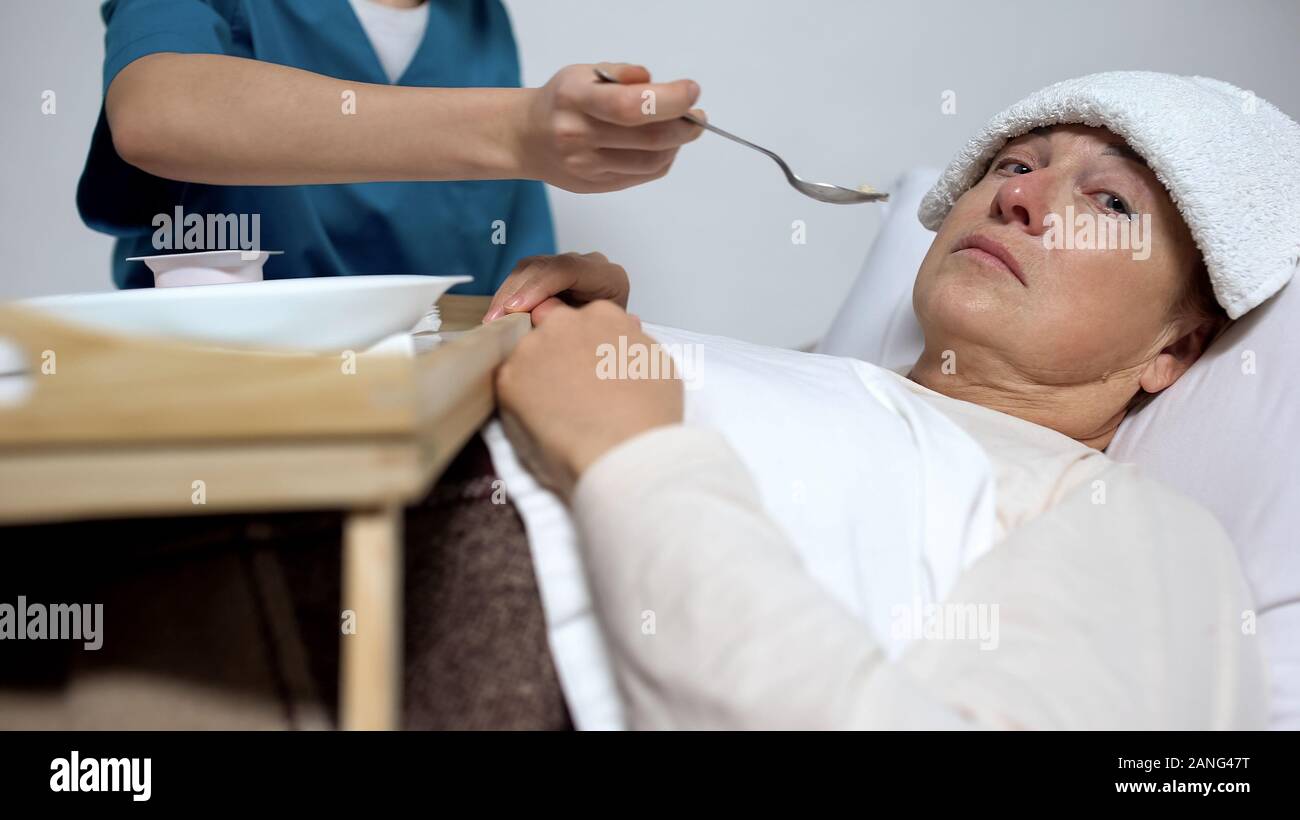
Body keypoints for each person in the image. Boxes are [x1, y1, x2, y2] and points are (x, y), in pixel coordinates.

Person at [486, 70, 1299, 726]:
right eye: (1015, 164)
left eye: (1110, 202)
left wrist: (631, 455)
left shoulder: (1130, 523)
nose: (1018, 196)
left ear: (1175, 349)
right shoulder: (838, 385)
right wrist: (623, 342)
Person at [77, 0, 704, 292]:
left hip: (424, 421)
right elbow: (159, 112)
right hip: (222, 411)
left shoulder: (479, 20)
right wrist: (516, 130)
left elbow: (498, 283)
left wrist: (569, 293)